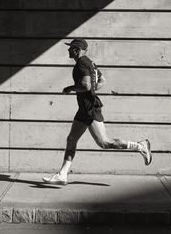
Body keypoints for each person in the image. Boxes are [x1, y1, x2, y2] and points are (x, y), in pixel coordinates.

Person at [42, 38, 152, 186]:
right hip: (85, 108)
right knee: (71, 139)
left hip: (89, 109)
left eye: (70, 49)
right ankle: (62, 175)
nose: (68, 51)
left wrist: (71, 88)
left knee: (105, 142)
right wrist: (91, 91)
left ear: (76, 50)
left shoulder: (81, 63)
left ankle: (140, 146)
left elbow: (86, 86)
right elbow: (102, 80)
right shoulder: (90, 63)